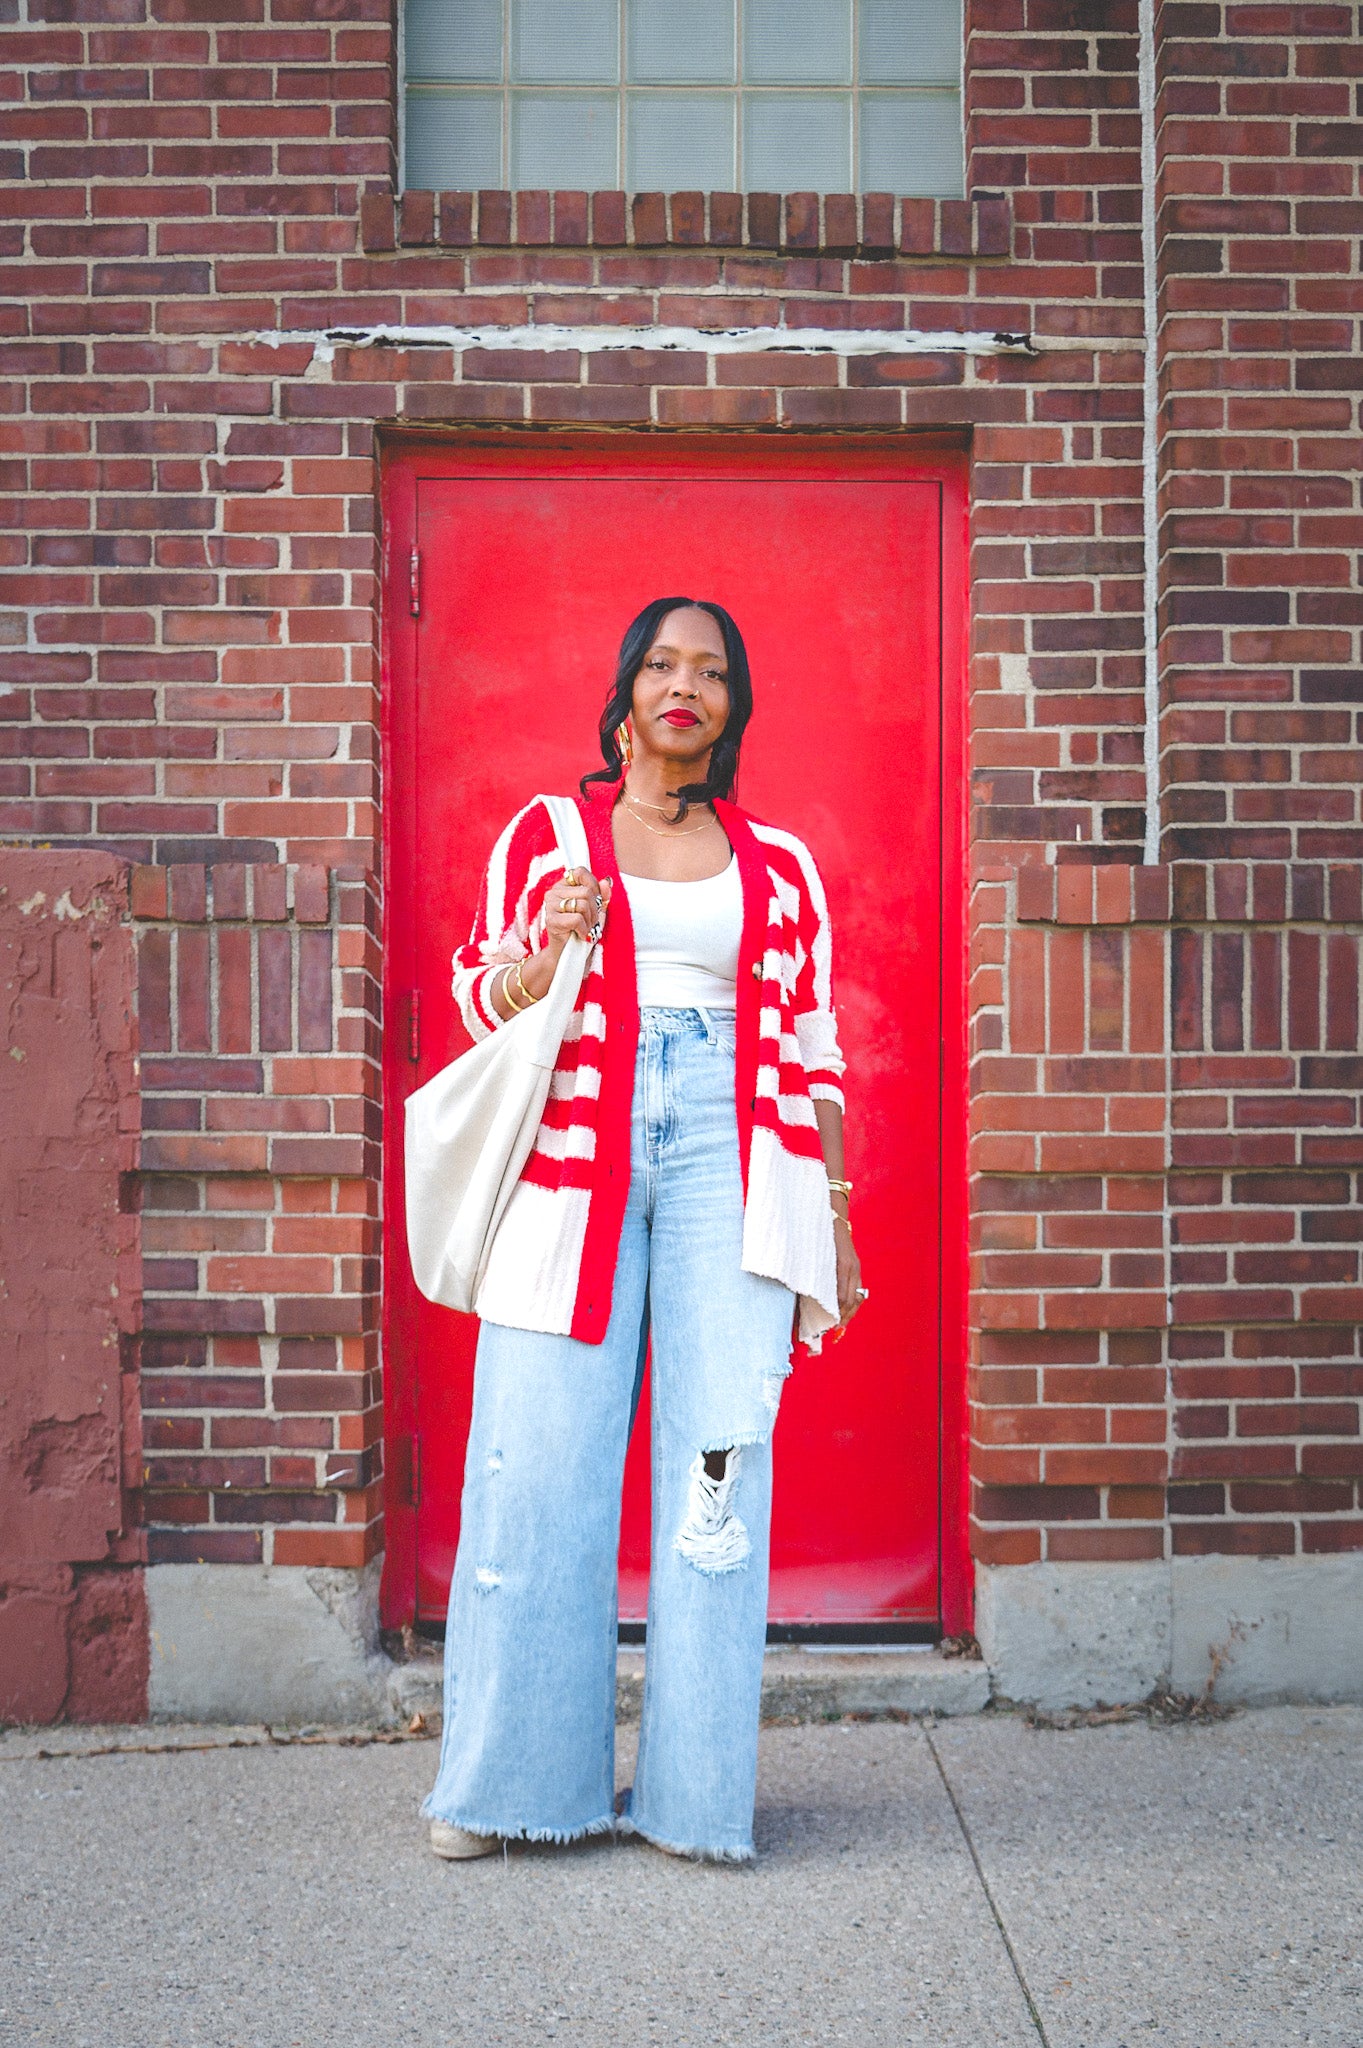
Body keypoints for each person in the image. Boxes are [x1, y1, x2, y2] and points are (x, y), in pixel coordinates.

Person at [421, 596, 864, 1864]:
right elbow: (477, 995)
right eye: (663, 663)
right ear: (625, 694)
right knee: (535, 1466)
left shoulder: (779, 862)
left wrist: (830, 1214)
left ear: (730, 710)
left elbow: (816, 1050)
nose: (688, 684)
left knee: (717, 1471)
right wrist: (544, 950)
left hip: (739, 1153)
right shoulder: (550, 835)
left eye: (712, 670)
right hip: (576, 1162)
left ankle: (695, 1800)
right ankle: (506, 1789)